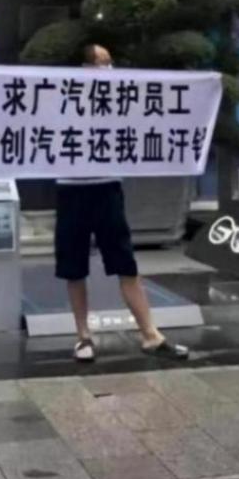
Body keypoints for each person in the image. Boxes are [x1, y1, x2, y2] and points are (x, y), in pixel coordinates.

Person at [56, 44, 189, 364]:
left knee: (125, 263)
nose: (109, 68)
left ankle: (150, 335)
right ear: (85, 68)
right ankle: (83, 336)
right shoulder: (61, 97)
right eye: (103, 62)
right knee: (74, 267)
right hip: (71, 190)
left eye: (110, 62)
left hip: (108, 188)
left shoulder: (119, 99)